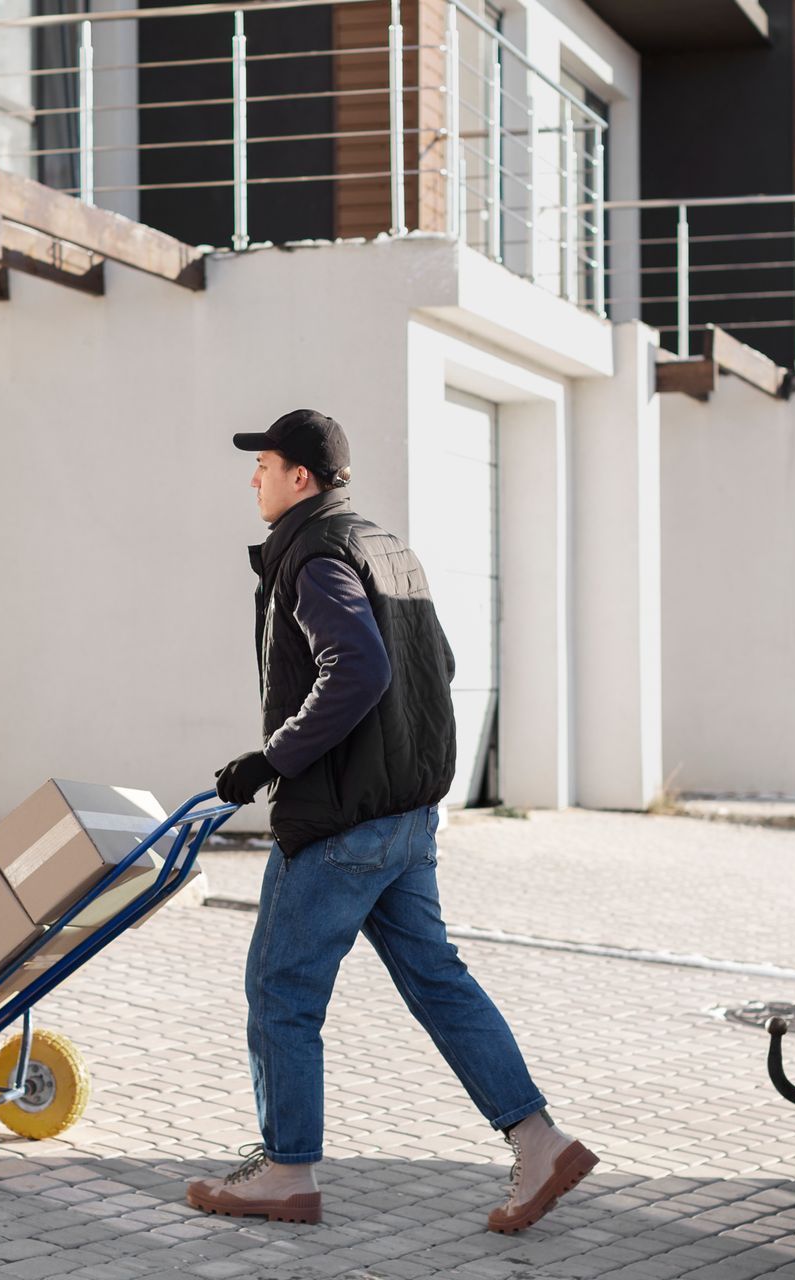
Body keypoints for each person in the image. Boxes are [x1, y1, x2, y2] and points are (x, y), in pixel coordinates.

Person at [185, 409, 598, 1233]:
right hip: (405, 818)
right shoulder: (385, 548)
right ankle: (540, 1141)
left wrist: (275, 758)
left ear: (301, 477)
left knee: (280, 990)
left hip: (341, 823)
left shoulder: (315, 556)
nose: (254, 477)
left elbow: (360, 667)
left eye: (264, 463)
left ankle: (288, 1172)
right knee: (438, 982)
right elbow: (436, 662)